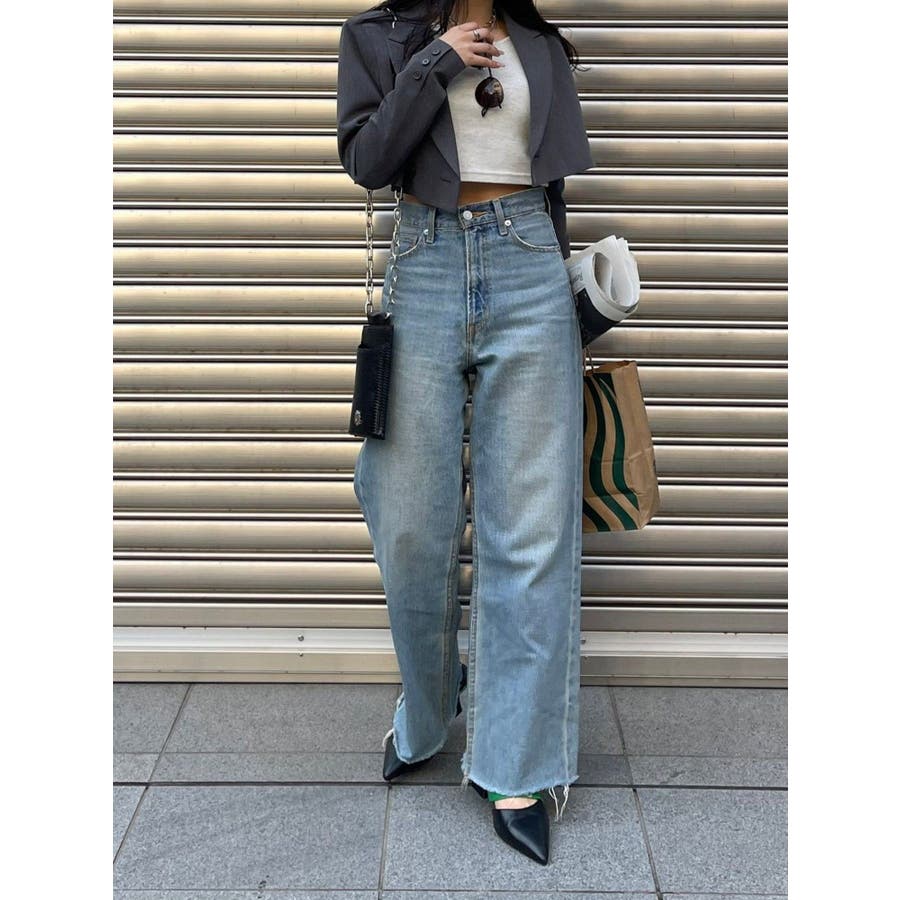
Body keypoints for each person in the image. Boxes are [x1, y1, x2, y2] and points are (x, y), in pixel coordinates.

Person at [337, 0, 593, 865]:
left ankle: (517, 767)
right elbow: (368, 161)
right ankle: (429, 707)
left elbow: (552, 181)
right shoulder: (376, 38)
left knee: (532, 529)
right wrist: (436, 60)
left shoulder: (542, 46)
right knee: (410, 521)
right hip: (424, 262)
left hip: (528, 265)